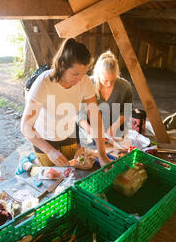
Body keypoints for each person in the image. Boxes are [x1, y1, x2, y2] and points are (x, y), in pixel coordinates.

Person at [21, 38, 111, 167]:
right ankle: (28, 162)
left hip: (68, 134)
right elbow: (26, 126)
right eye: (75, 74)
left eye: (83, 74)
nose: (80, 79)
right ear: (62, 65)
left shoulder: (84, 81)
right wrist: (50, 151)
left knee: (72, 172)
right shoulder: (44, 83)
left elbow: (95, 117)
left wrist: (102, 154)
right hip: (44, 138)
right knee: (51, 177)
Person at [77, 51, 133, 140]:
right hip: (89, 136)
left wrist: (115, 126)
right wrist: (90, 129)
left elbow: (126, 111)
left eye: (113, 80)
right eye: (105, 80)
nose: (109, 84)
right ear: (98, 74)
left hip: (115, 135)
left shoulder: (125, 87)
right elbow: (79, 113)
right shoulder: (87, 84)